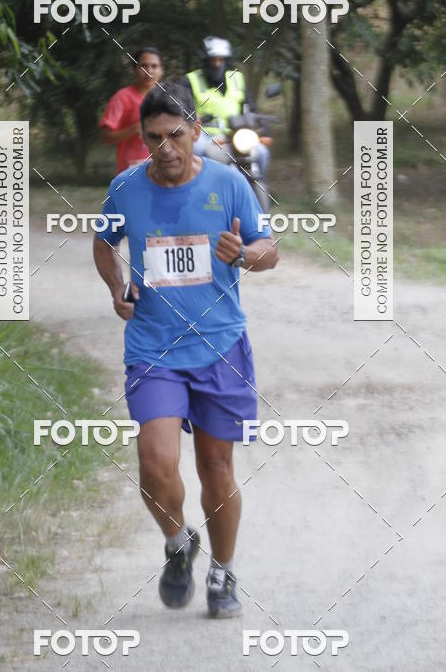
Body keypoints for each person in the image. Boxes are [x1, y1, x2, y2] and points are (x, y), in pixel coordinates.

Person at [93, 80, 278, 618]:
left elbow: (271, 249)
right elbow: (104, 243)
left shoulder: (229, 183)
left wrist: (244, 253)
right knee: (154, 464)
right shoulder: (126, 187)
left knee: (216, 469)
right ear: (142, 138)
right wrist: (116, 286)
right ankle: (178, 543)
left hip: (220, 344)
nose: (165, 148)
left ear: (196, 132)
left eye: (176, 135)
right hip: (153, 346)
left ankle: (223, 572)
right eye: (153, 137)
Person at [182, 36, 270, 179]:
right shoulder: (191, 80)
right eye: (213, 60)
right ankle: (197, 191)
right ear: (205, 61)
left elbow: (251, 107)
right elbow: (182, 110)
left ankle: (260, 185)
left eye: (221, 60)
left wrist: (263, 127)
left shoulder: (237, 78)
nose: (217, 64)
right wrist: (192, 119)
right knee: (196, 152)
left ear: (226, 61)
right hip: (205, 134)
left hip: (236, 134)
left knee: (261, 153)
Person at [99, 47, 164, 173]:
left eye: (154, 66)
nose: (149, 71)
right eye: (143, 66)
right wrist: (136, 128)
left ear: (161, 70)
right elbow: (105, 138)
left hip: (163, 167)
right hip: (132, 170)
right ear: (134, 69)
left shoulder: (168, 98)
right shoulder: (122, 98)